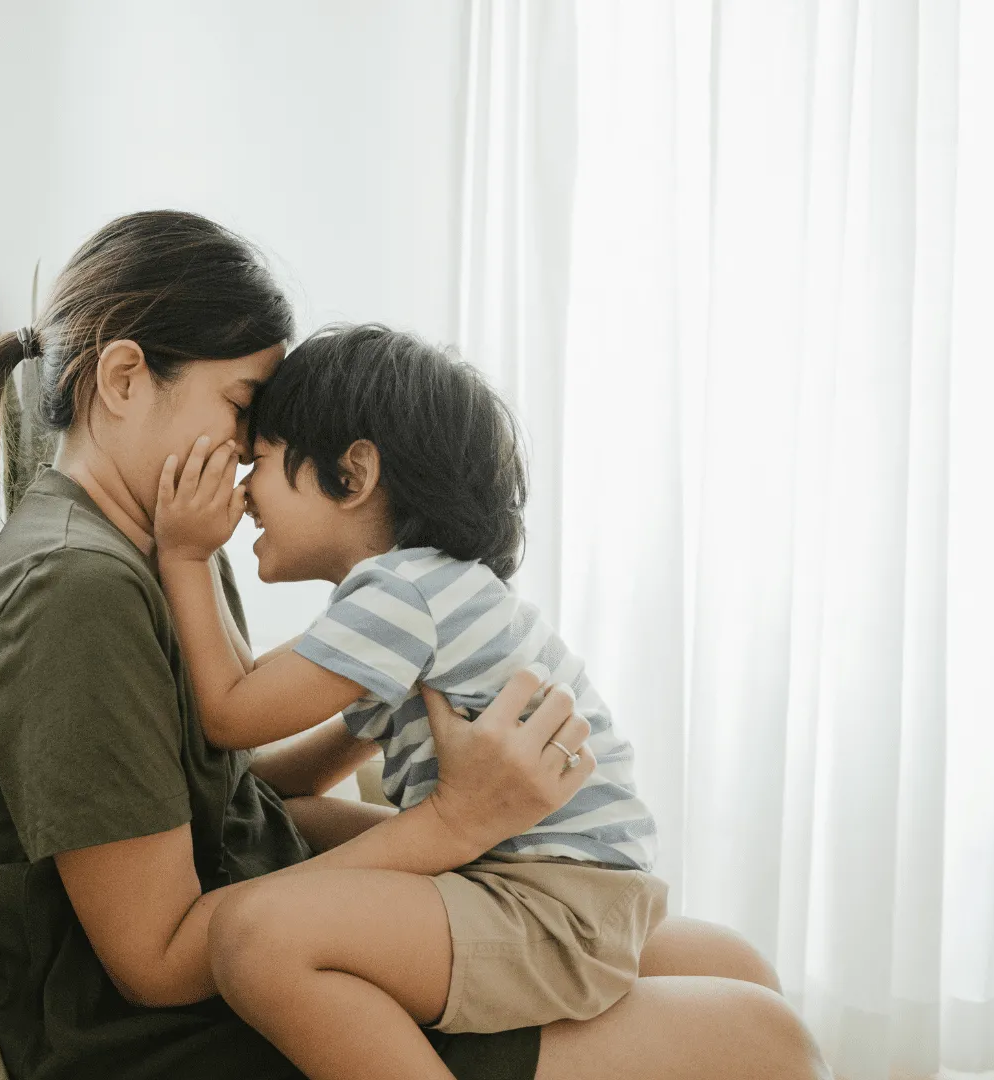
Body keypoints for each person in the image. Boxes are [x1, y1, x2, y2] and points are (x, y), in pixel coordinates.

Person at [0, 209, 830, 1080]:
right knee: (766, 1042)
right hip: (188, 1032)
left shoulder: (162, 543)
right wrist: (455, 824)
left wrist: (391, 690)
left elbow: (224, 787)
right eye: (244, 404)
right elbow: (155, 960)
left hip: (276, 924)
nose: (249, 451)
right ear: (121, 379)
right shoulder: (78, 592)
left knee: (732, 963)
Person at [153, 323, 665, 1079]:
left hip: (550, 901)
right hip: (569, 884)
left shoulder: (398, 593)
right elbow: (270, 776)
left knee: (255, 938)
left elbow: (230, 712)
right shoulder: (426, 593)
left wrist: (185, 554)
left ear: (353, 474)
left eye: (256, 462)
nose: (241, 490)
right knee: (289, 822)